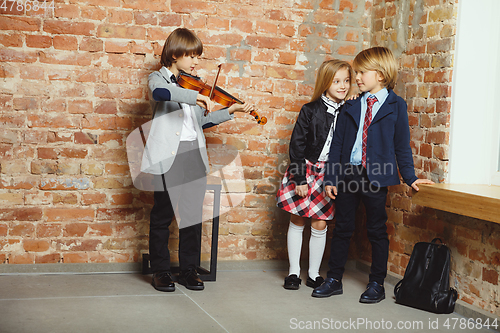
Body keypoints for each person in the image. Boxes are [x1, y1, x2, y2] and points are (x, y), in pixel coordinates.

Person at [312, 47, 434, 302]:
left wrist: (410, 178)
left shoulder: (396, 105)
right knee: (343, 228)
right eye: (356, 72)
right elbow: (337, 145)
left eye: (361, 72)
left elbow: (402, 144)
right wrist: (331, 178)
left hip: (377, 177)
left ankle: (376, 283)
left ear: (380, 75)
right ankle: (334, 279)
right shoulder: (352, 106)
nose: (356, 77)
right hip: (349, 175)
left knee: (376, 230)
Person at [142, 28, 254, 292]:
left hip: (194, 155)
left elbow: (200, 122)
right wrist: (197, 96)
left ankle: (189, 270)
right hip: (168, 157)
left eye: (198, 57)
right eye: (191, 56)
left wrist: (229, 111)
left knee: (191, 217)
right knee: (162, 215)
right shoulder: (158, 79)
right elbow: (161, 94)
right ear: (174, 54)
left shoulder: (194, 85)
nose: (195, 62)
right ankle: (161, 271)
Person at [276, 59, 355, 290]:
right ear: (325, 83)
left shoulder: (350, 110)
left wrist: (354, 101)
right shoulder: (310, 110)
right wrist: (299, 178)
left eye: (347, 81)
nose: (343, 86)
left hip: (329, 174)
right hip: (306, 169)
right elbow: (296, 146)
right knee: (298, 218)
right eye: (337, 81)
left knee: (321, 224)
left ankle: (313, 273)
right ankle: (293, 273)